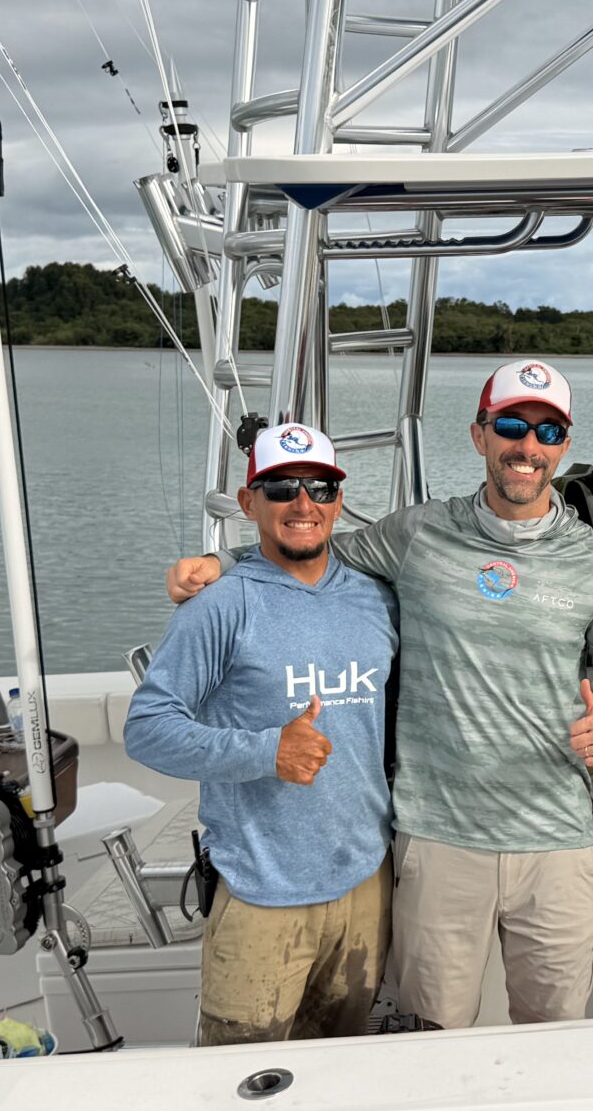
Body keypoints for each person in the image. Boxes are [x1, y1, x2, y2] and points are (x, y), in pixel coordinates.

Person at [167, 360, 593, 1028]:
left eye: (547, 432)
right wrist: (223, 562)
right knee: (431, 1040)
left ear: (564, 446)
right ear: (480, 435)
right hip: (438, 840)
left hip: (558, 843)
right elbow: (315, 547)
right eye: (511, 425)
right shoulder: (418, 534)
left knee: (557, 1037)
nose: (528, 447)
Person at [125, 423, 395, 1044]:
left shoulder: (378, 599)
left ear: (338, 501)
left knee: (341, 1064)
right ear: (249, 503)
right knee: (239, 1080)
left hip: (366, 884)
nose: (304, 505)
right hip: (260, 892)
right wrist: (266, 750)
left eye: (321, 489)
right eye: (281, 488)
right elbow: (146, 729)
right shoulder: (221, 604)